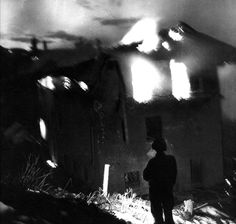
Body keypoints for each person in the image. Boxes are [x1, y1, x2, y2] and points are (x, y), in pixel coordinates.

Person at [143, 137, 177, 224]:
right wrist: (169, 185)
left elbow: (145, 176)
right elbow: (174, 176)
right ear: (164, 147)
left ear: (155, 148)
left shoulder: (152, 162)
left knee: (158, 218)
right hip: (167, 191)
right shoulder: (171, 159)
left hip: (156, 193)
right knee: (169, 216)